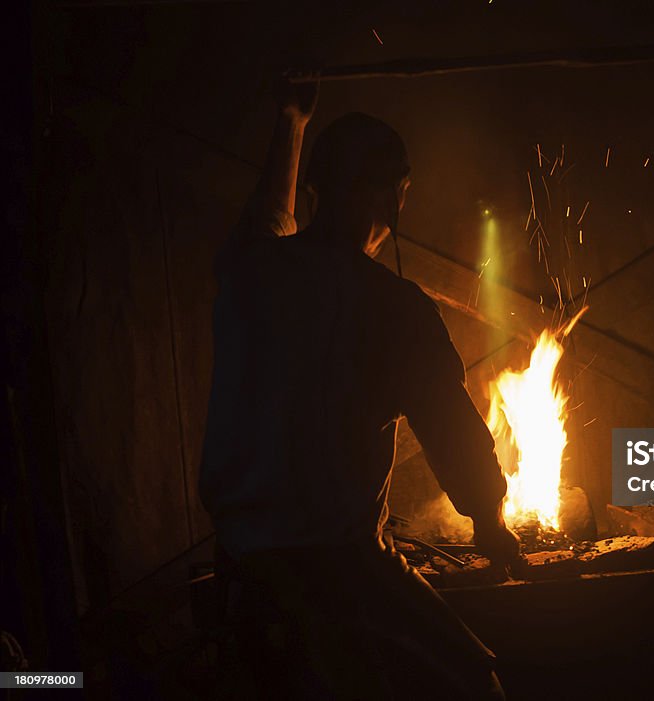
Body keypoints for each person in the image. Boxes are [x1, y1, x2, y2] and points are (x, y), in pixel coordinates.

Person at [199, 76, 519, 699]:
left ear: (316, 192)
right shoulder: (393, 307)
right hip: (341, 570)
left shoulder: (248, 272)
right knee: (475, 682)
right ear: (394, 198)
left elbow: (269, 214)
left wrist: (291, 120)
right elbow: (453, 432)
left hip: (241, 572)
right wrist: (488, 517)